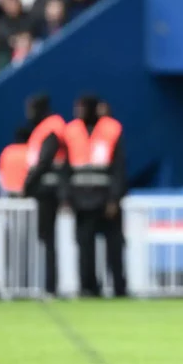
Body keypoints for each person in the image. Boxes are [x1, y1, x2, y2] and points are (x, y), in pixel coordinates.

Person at [63, 95, 126, 297]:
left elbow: (119, 169)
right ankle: (88, 287)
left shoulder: (111, 130)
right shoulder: (71, 131)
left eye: (81, 107)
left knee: (115, 247)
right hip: (81, 200)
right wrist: (66, 197)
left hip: (106, 199)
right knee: (85, 247)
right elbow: (65, 169)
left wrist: (114, 199)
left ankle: (118, 288)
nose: (78, 111)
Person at [22, 94, 68, 297]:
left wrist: (28, 183)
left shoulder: (51, 129)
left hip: (48, 191)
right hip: (45, 190)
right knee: (46, 239)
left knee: (48, 239)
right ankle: (48, 284)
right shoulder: (47, 128)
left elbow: (44, 161)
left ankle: (51, 286)